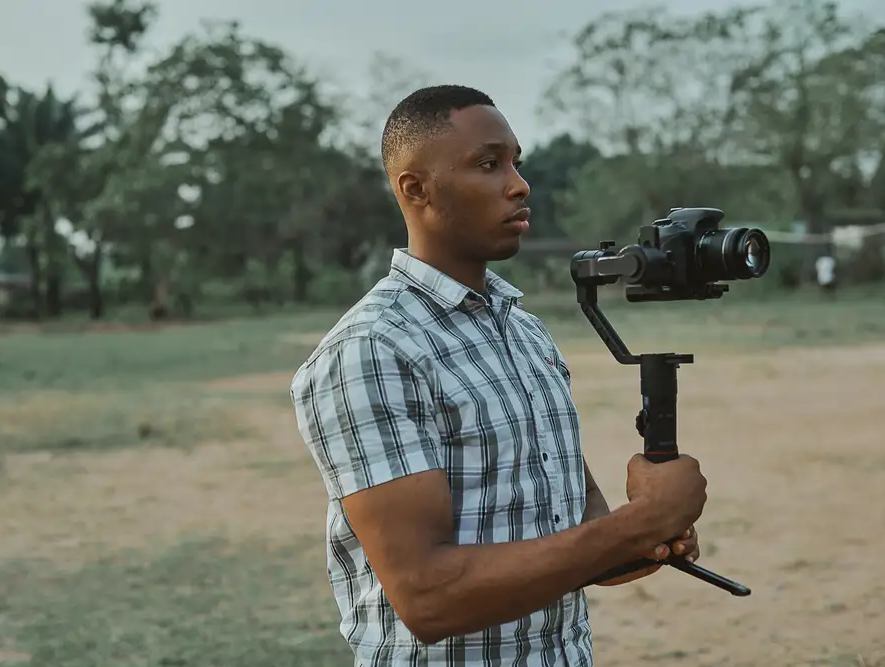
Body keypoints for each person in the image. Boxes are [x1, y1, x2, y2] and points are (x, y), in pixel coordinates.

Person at [289, 85, 708, 666]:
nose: (518, 184)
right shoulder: (374, 349)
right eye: (488, 164)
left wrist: (647, 539)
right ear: (415, 189)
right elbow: (427, 598)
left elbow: (576, 530)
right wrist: (639, 522)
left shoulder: (523, 331)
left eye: (516, 162)